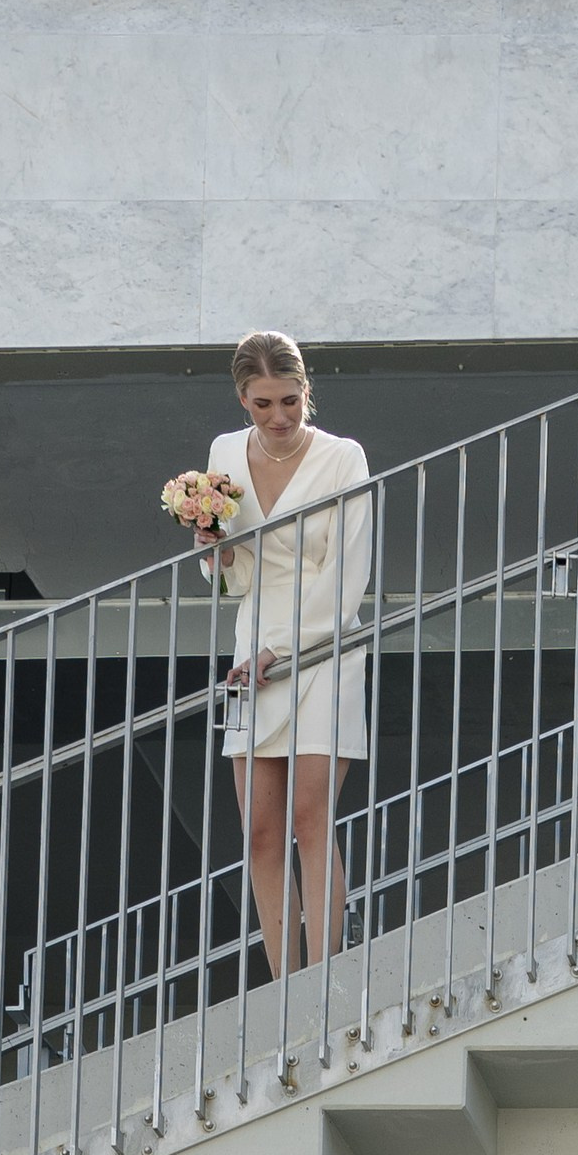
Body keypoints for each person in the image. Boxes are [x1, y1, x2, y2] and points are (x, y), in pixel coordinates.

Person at [180, 332, 373, 974]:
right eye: (264, 404)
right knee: (261, 833)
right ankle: (284, 988)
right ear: (243, 400)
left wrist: (281, 649)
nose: (280, 417)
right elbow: (231, 577)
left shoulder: (345, 458)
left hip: (323, 643)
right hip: (249, 645)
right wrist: (213, 544)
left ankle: (323, 979)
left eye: (290, 400)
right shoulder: (224, 454)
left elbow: (348, 577)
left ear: (306, 392)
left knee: (309, 818)